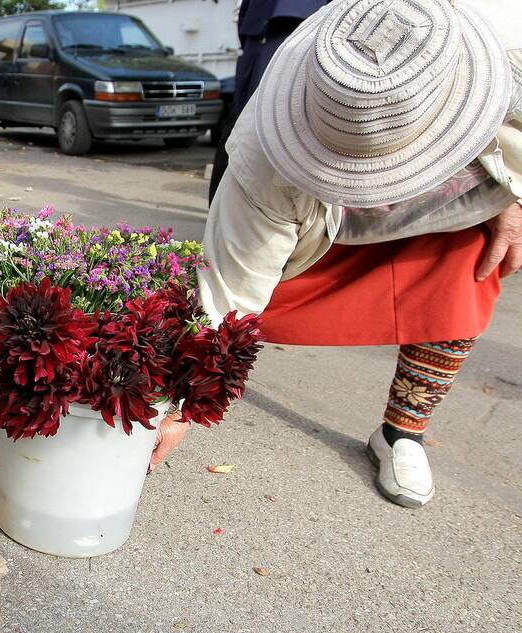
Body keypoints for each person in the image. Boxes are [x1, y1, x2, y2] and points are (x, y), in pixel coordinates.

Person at [195, 0, 522, 507]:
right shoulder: (268, 146)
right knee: (221, 309)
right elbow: (230, 291)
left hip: (461, 198)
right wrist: (177, 402)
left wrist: (514, 195)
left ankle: (401, 434)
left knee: (464, 279)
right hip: (327, 222)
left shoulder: (510, 47)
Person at [208, 0, 332, 204]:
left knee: (242, 131)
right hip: (288, 35)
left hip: (264, 36)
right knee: (256, 131)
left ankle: (223, 211)